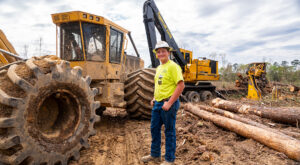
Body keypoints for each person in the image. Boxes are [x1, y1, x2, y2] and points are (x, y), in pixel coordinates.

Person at [141, 41, 185, 165]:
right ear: (156, 54)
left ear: (168, 52)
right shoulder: (159, 68)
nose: (161, 53)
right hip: (158, 103)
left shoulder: (173, 66)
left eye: (163, 51)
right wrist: (155, 98)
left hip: (168, 104)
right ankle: (155, 155)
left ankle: (169, 160)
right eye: (158, 51)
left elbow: (181, 85)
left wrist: (170, 103)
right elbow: (159, 85)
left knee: (169, 132)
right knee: (154, 129)